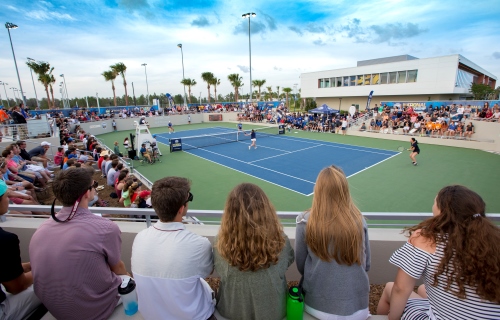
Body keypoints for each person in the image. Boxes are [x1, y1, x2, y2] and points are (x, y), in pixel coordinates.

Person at [377, 185, 500, 319]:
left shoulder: (425, 240)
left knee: (390, 288)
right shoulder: (494, 241)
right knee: (423, 289)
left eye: (435, 202)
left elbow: (401, 288)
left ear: (442, 211)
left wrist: (393, 318)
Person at [29, 167, 129, 320]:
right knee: (132, 283)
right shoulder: (106, 227)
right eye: (93, 185)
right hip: (92, 311)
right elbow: (118, 268)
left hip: (55, 308)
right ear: (87, 193)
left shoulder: (42, 229)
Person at [131, 177, 215, 320]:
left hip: (151, 315)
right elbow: (207, 272)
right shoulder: (198, 244)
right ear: (182, 209)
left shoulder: (140, 237)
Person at [295, 165, 370, 320]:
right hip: (357, 309)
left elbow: (301, 265)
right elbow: (366, 264)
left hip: (316, 306)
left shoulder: (304, 221)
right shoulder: (359, 221)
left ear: (318, 190)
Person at [214, 183, 294, 320]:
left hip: (230, 313)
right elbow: (288, 262)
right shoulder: (281, 241)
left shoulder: (221, 243)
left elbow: (218, 269)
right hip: (274, 314)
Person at [0, 180, 43, 319]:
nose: (8, 200)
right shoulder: (5, 239)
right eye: (7, 196)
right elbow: (16, 287)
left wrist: (28, 266)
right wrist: (43, 269)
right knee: (52, 280)